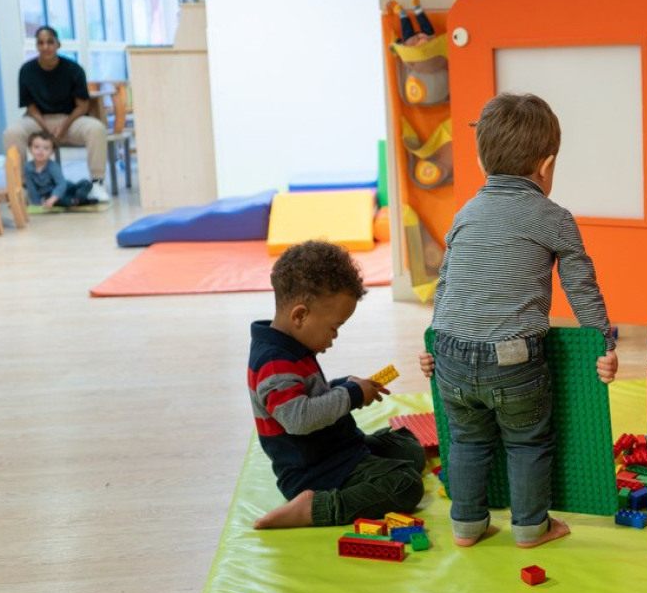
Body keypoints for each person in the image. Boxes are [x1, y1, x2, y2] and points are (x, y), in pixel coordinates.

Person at [418, 93, 618, 549]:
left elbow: (446, 283)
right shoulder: (554, 218)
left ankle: (467, 525)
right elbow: (581, 287)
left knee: (468, 441)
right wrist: (603, 343)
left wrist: (432, 343)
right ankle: (530, 527)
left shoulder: (465, 215)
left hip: (450, 352)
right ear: (546, 166)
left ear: (481, 161)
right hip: (513, 360)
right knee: (527, 441)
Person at [250, 240, 426, 529]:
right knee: (406, 485)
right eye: (334, 327)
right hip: (314, 471)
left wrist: (345, 385)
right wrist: (351, 394)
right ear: (300, 315)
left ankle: (369, 468)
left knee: (409, 449)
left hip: (336, 450)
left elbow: (308, 395)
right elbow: (298, 418)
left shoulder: (291, 347)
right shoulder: (273, 363)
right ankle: (315, 508)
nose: (335, 337)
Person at [2, 26, 109, 203]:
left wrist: (64, 126)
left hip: (70, 119)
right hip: (38, 120)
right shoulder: (27, 70)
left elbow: (82, 106)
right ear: (37, 46)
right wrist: (45, 129)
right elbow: (30, 106)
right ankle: (21, 187)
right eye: (41, 43)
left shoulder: (74, 69)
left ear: (58, 44)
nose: (45, 47)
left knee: (96, 128)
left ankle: (97, 184)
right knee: (11, 133)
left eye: (50, 42)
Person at [23, 131, 96, 208]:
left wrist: (53, 198)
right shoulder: (28, 167)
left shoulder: (53, 166)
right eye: (36, 147)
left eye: (46, 148)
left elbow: (61, 184)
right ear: (30, 149)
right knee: (61, 201)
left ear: (52, 152)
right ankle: (78, 201)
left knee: (86, 183)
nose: (41, 151)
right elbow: (31, 188)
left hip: (65, 188)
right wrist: (37, 204)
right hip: (51, 195)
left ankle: (78, 198)